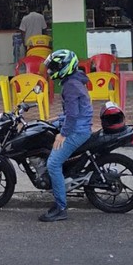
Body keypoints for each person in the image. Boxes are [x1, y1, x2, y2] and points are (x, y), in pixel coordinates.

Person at [40, 48, 93, 222]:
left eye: (55, 67)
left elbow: (73, 115)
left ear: (65, 67)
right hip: (78, 124)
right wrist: (57, 119)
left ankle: (61, 207)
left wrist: (62, 134)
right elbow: (73, 111)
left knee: (53, 163)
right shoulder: (74, 80)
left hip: (78, 130)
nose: (51, 70)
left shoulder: (70, 85)